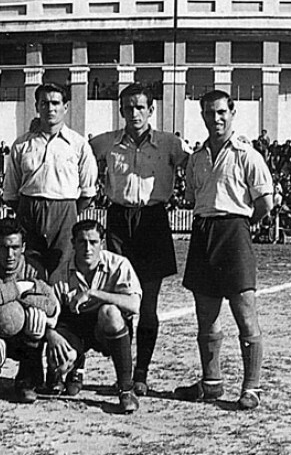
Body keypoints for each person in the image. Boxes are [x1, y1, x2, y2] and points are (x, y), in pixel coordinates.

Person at [174, 90, 273, 410]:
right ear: (202, 116)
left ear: (232, 114)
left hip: (234, 232)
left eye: (221, 113)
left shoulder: (248, 154)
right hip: (203, 232)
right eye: (208, 113)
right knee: (207, 315)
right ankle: (211, 383)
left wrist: (240, 227)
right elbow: (191, 198)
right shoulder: (197, 156)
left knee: (245, 313)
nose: (215, 119)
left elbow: (265, 204)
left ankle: (252, 387)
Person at [90, 82, 191, 395]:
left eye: (140, 107)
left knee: (147, 305)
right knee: (120, 301)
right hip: (118, 220)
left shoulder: (171, 144)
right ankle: (123, 373)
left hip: (153, 221)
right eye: (128, 107)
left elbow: (197, 166)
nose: (134, 113)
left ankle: (141, 373)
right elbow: (78, 161)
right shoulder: (103, 143)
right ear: (121, 110)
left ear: (151, 110)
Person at [46, 220, 142, 414]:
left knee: (110, 312)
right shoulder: (60, 273)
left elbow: (134, 304)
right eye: (82, 242)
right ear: (73, 243)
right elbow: (49, 313)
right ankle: (72, 368)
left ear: (102, 242)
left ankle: (126, 389)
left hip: (104, 328)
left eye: (93, 242)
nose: (87, 248)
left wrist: (93, 293)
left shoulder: (119, 264)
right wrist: (51, 335)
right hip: (76, 326)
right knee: (60, 362)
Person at [3, 82, 98, 273]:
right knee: (29, 267)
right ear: (37, 106)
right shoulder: (22, 144)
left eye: (55, 103)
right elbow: (11, 193)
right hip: (29, 210)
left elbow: (88, 192)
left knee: (63, 267)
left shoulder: (78, 144)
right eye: (44, 103)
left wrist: (67, 211)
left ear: (65, 106)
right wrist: (30, 208)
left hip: (64, 211)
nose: (50, 108)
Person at [0, 218, 58, 403]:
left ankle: (26, 378)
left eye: (15, 247)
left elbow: (50, 304)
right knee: (0, 321)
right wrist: (21, 288)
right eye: (4, 247)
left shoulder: (33, 267)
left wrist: (12, 296)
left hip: (24, 335)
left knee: (36, 317)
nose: (10, 254)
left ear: (23, 246)